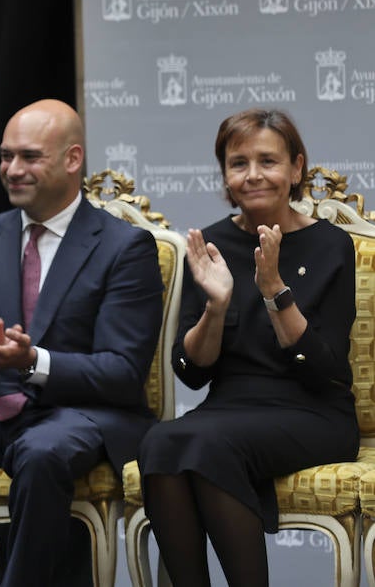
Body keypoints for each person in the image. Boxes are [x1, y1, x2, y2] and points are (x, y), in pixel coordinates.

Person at [137, 108, 359, 587]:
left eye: (268, 161)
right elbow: (192, 371)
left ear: (296, 168)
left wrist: (275, 288)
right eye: (239, 163)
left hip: (314, 410)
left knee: (207, 443)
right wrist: (215, 306)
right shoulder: (211, 244)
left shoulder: (331, 245)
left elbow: (327, 369)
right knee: (160, 441)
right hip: (232, 405)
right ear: (224, 173)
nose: (253, 175)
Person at [0, 99, 163, 586]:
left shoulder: (123, 247)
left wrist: (32, 360)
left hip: (81, 413)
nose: (12, 170)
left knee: (42, 453)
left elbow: (122, 372)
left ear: (72, 159)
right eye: (5, 156)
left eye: (30, 157)